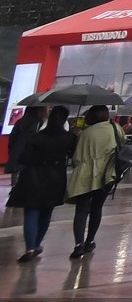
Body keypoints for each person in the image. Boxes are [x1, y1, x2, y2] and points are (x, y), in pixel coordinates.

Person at [7, 105, 73, 262]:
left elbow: (24, 158)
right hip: (56, 178)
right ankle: (36, 245)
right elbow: (72, 155)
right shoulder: (69, 138)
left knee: (31, 212)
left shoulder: (37, 137)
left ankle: (30, 247)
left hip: (33, 176)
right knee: (46, 212)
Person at [66, 104, 122, 259]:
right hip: (107, 174)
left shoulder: (85, 134)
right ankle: (90, 240)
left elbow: (76, 157)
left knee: (82, 210)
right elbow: (121, 144)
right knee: (97, 208)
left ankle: (78, 244)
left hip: (85, 175)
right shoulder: (115, 128)